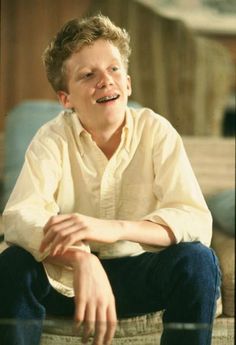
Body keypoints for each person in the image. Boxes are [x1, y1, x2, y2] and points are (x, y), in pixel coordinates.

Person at [0, 14, 221, 345]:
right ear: (66, 99)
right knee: (13, 262)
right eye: (88, 75)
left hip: (140, 275)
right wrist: (81, 257)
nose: (106, 80)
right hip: (70, 281)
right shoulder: (51, 138)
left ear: (128, 83)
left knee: (198, 260)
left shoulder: (157, 131)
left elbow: (195, 219)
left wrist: (114, 228)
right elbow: (20, 218)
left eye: (114, 69)